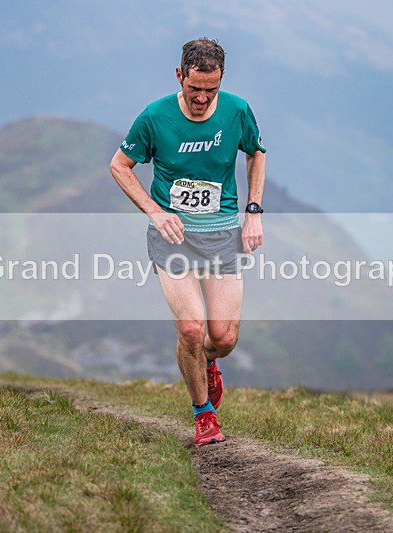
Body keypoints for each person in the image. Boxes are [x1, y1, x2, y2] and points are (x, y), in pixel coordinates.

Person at [109, 38, 266, 447]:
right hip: (173, 238)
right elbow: (119, 165)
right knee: (192, 329)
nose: (201, 98)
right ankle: (203, 415)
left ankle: (208, 365)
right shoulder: (155, 116)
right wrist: (155, 212)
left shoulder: (237, 109)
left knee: (223, 338)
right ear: (180, 75)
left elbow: (256, 152)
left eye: (210, 90)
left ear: (221, 81)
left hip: (222, 234)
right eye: (193, 88)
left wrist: (253, 211)